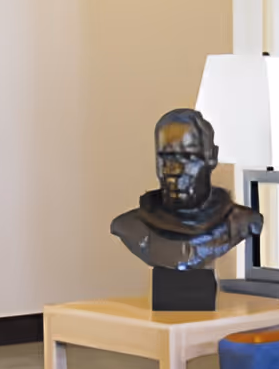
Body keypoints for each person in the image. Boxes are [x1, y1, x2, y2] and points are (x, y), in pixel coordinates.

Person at [110, 109, 260, 271]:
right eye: (165, 157)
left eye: (188, 157)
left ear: (212, 157)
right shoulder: (129, 227)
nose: (174, 171)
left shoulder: (242, 223)